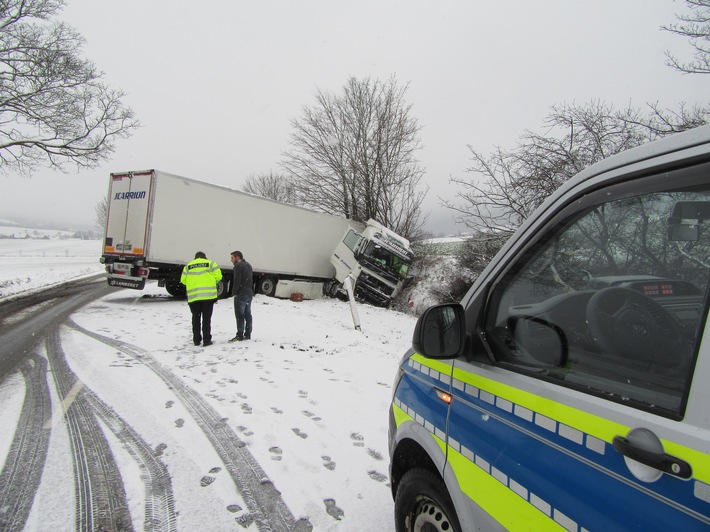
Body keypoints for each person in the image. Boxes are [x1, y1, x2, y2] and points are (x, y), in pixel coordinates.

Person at [180, 251, 222, 346]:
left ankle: (196, 339)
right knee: (206, 319)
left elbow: (183, 281)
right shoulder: (211, 263)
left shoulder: (188, 266)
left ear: (195, 258)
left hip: (194, 297)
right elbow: (219, 277)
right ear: (204, 257)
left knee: (195, 318)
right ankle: (207, 340)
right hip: (208, 297)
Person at [229, 250, 253, 341]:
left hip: (241, 294)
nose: (231, 260)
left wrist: (234, 292)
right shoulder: (248, 265)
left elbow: (237, 281)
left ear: (237, 257)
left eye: (232, 258)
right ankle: (248, 334)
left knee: (240, 316)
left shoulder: (238, 266)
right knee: (248, 314)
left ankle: (239, 335)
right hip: (248, 293)